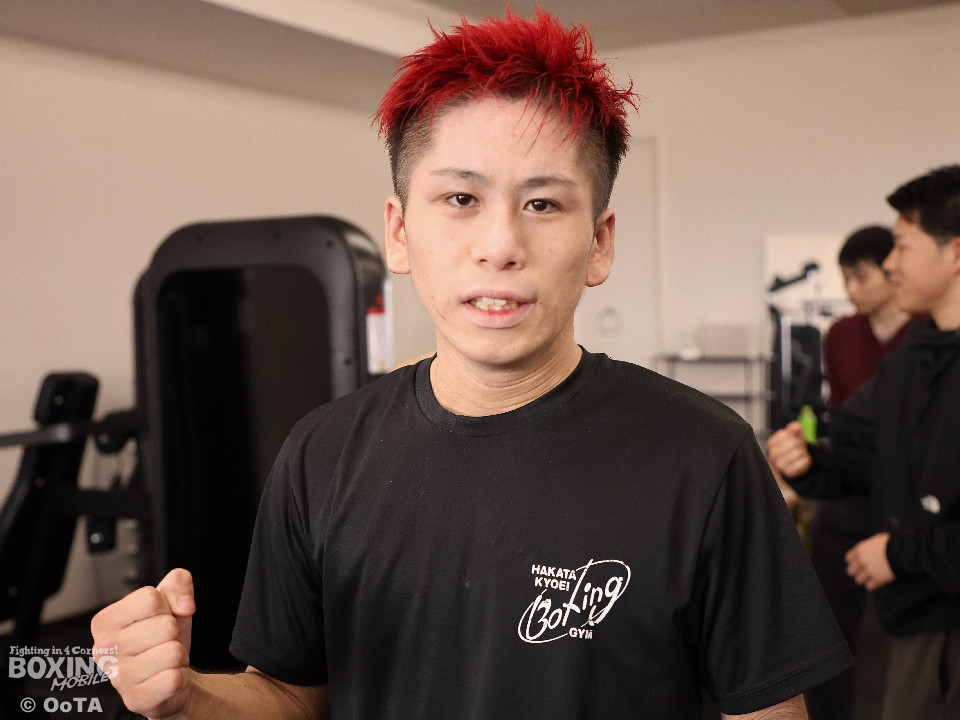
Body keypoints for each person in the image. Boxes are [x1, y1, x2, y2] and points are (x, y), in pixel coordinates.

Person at [91, 10, 851, 720]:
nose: (499, 246)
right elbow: (289, 695)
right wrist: (187, 697)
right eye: (460, 198)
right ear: (398, 233)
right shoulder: (322, 453)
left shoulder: (704, 455)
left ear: (600, 243)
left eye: (543, 204)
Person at [768, 164, 960, 720]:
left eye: (902, 246)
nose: (891, 263)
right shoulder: (915, 356)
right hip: (917, 617)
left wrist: (897, 554)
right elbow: (859, 452)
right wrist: (808, 463)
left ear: (954, 253)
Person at [804, 225, 914, 720]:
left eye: (861, 277)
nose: (852, 290)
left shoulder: (926, 334)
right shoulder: (842, 334)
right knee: (829, 609)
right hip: (852, 480)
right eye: (846, 278)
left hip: (910, 488)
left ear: (891, 271)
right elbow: (843, 418)